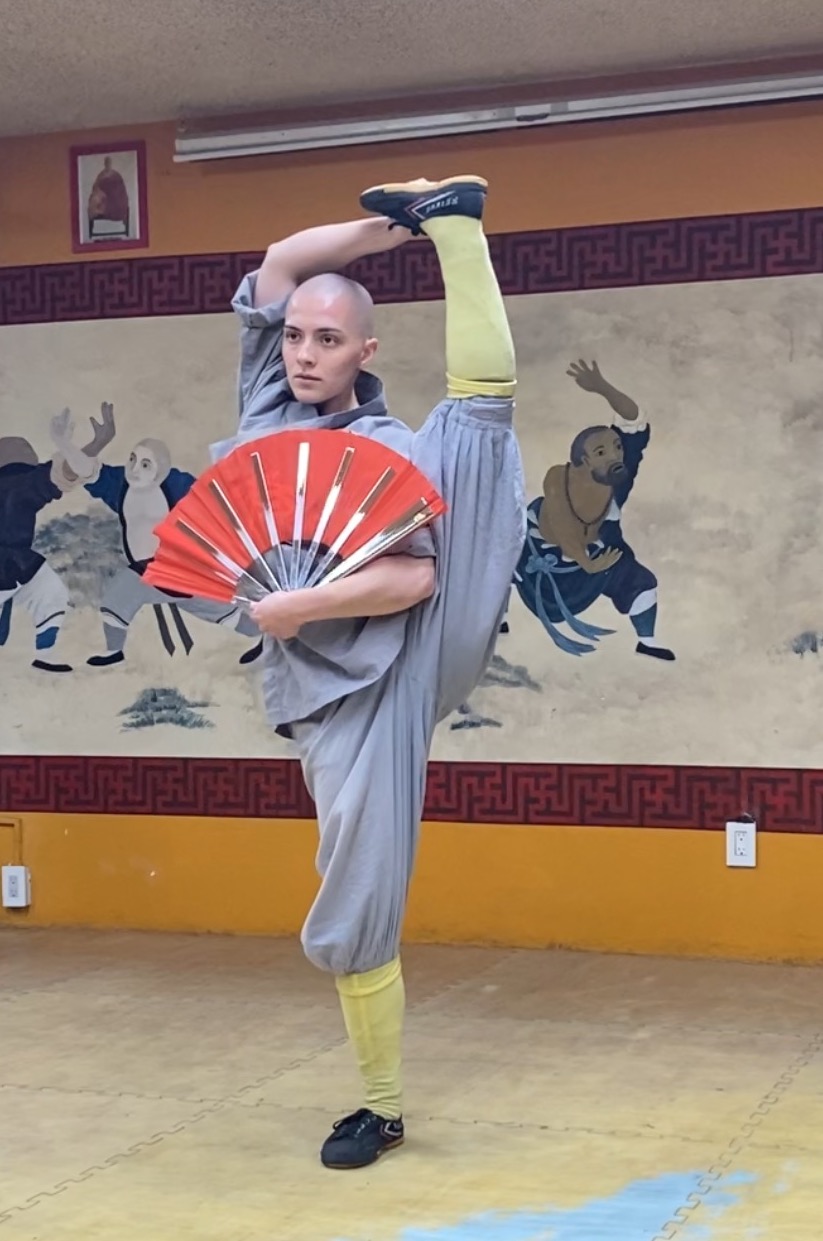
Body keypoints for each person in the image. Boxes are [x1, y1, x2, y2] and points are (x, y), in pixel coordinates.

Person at [210, 175, 525, 1169]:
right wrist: (385, 228)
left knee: (472, 435)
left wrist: (295, 606)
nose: (303, 353)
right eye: (296, 336)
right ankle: (446, 214)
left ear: (364, 353)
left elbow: (411, 577)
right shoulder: (268, 407)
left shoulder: (385, 444)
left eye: (327, 340)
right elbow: (281, 262)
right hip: (312, 683)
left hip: (393, 667)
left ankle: (379, 1108)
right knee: (347, 864)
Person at [514, 359, 673, 659]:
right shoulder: (558, 479)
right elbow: (561, 523)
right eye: (601, 452)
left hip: (595, 559)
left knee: (640, 582)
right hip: (539, 563)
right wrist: (585, 561)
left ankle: (647, 642)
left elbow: (633, 422)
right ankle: (495, 622)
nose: (614, 456)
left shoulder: (616, 479)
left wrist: (603, 388)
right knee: (496, 559)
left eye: (617, 448)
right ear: (583, 462)